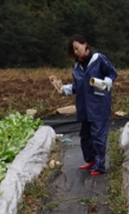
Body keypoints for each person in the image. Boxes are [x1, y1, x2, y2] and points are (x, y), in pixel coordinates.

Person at [50, 35, 118, 176]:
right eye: (73, 50)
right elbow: (78, 87)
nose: (76, 52)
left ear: (85, 44)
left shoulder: (98, 59)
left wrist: (105, 83)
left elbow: (112, 73)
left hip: (99, 105)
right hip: (84, 106)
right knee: (85, 136)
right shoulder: (77, 66)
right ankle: (91, 160)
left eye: (77, 48)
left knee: (98, 136)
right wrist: (63, 89)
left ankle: (100, 165)